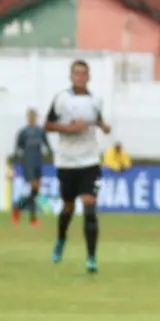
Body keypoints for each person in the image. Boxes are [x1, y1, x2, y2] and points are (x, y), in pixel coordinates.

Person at [44, 60, 111, 273]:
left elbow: (97, 119)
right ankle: (61, 239)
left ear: (88, 77)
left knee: (90, 206)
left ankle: (91, 258)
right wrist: (70, 128)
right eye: (76, 73)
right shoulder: (61, 99)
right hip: (67, 161)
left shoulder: (95, 100)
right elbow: (47, 125)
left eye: (83, 73)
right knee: (68, 207)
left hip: (90, 160)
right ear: (71, 76)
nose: (80, 77)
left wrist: (103, 125)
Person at [10, 107, 52, 225]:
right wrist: (13, 166)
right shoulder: (23, 132)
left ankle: (18, 208)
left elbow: (48, 146)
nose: (32, 119)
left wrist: (52, 158)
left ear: (36, 118)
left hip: (38, 163)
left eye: (34, 117)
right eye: (30, 117)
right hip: (28, 163)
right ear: (27, 118)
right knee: (33, 189)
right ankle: (32, 218)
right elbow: (17, 149)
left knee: (35, 192)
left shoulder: (40, 131)